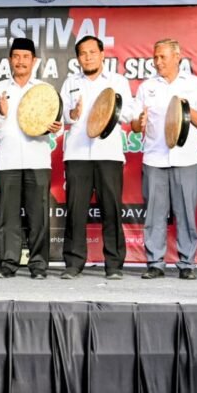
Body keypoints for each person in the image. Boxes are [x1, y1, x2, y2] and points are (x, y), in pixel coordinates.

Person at [130, 39, 197, 280]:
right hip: (154, 159)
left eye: (163, 57)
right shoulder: (147, 87)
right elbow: (135, 124)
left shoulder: (194, 84)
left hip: (186, 159)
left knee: (186, 212)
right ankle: (155, 262)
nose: (158, 62)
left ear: (178, 57)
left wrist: (184, 108)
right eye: (155, 57)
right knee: (155, 214)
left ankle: (187, 263)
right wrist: (139, 122)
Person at [0, 37, 62, 279]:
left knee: (39, 217)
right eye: (16, 57)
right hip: (8, 162)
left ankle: (38, 265)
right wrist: (1, 114)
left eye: (26, 57)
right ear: (9, 60)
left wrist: (55, 126)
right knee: (8, 218)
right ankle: (8, 263)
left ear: (34, 61)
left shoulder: (44, 90)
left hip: (38, 161)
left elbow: (60, 124)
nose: (20, 61)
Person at [58, 35, 135, 280]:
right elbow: (61, 119)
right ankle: (73, 263)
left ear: (102, 54)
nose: (88, 56)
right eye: (83, 53)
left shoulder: (118, 81)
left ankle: (113, 264)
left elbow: (129, 113)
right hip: (77, 154)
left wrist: (114, 111)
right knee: (75, 210)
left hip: (108, 154)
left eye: (93, 52)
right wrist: (73, 113)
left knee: (110, 209)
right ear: (78, 58)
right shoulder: (70, 82)